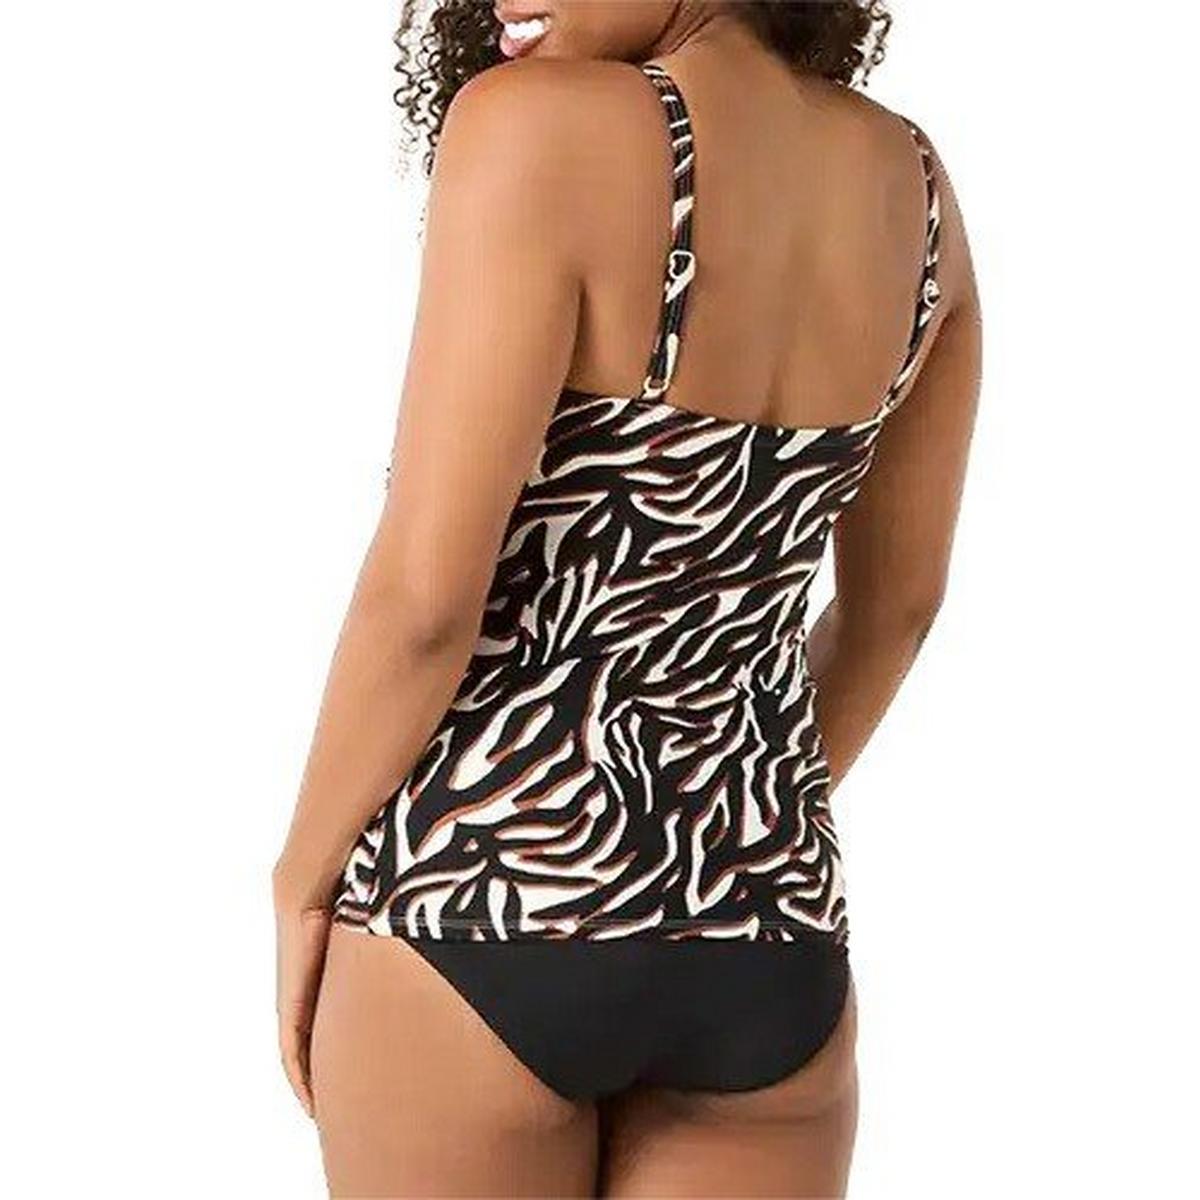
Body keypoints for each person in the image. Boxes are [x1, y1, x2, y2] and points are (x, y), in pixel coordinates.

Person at [272, 2, 981, 1195]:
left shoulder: (535, 130)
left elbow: (425, 603)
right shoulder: (916, 189)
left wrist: (302, 880)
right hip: (766, 938)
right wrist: (720, 825)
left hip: (474, 903)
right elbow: (897, 609)